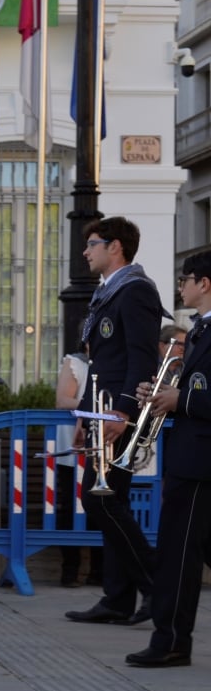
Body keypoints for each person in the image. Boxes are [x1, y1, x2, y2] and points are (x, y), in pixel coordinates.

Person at [64, 217, 159, 627]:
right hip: (101, 412)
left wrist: (123, 412)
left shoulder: (134, 290)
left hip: (118, 414)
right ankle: (118, 598)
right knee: (107, 500)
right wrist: (86, 415)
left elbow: (141, 358)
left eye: (93, 244)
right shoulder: (109, 293)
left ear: (115, 247)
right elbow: (100, 362)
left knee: (99, 498)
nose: (86, 252)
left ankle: (158, 586)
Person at [125, 253, 211, 667]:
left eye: (186, 279)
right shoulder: (198, 331)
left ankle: (171, 642)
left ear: (205, 283)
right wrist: (161, 398)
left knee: (178, 553)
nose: (181, 287)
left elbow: (197, 394)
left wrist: (183, 399)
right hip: (190, 455)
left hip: (200, 462)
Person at [54, 344, 102, 588]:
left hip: (102, 443)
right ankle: (69, 570)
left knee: (100, 503)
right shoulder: (75, 362)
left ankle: (98, 571)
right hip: (73, 447)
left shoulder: (116, 360)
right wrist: (95, 409)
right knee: (69, 506)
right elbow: (63, 399)